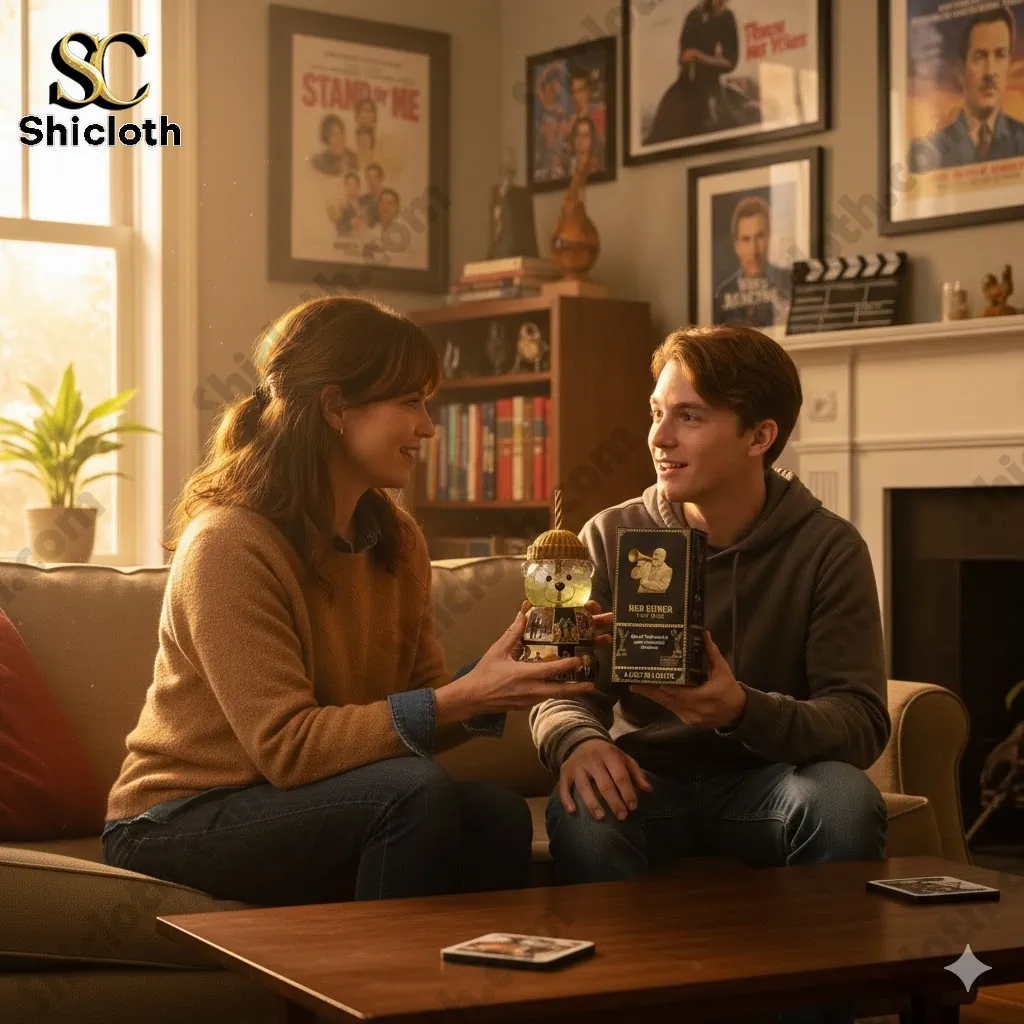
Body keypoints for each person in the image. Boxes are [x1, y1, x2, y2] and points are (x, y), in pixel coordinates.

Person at [101, 297, 596, 906]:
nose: (429, 426)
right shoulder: (228, 543)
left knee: (494, 813)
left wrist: (505, 680)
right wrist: (460, 697)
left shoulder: (395, 539)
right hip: (178, 818)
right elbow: (288, 747)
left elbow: (422, 708)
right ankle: (378, 996)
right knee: (414, 792)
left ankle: (472, 991)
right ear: (336, 407)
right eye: (410, 402)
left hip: (310, 801)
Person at [530, 324, 890, 1024]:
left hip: (770, 784)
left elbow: (860, 721)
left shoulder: (831, 549)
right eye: (657, 413)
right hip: (643, 782)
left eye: (688, 417)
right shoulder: (604, 536)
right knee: (584, 810)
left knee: (842, 799)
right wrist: (580, 741)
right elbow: (551, 684)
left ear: (759, 436)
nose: (658, 437)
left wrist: (740, 709)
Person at [910, 6, 1024, 170]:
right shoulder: (930, 153)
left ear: (1009, 66)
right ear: (960, 71)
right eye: (979, 56)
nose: (990, 72)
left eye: (1000, 55)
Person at [645, 0, 739, 143]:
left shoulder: (727, 17)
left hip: (710, 86)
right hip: (686, 83)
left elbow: (730, 62)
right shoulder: (693, 16)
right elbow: (682, 56)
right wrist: (687, 58)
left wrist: (698, 56)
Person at [713, 196, 792, 328]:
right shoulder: (723, 293)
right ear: (736, 245)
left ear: (770, 237)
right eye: (746, 239)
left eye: (760, 237)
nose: (754, 250)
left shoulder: (788, 281)